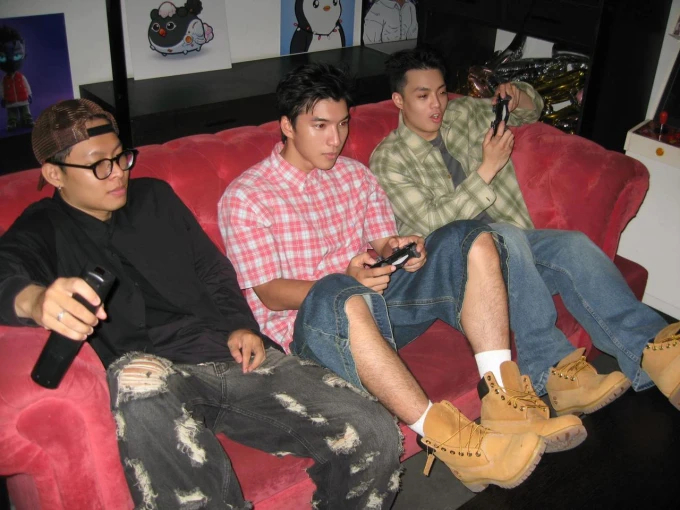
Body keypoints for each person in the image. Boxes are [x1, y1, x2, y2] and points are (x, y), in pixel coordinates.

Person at [0, 99, 405, 510]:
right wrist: (35, 300)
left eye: (121, 157)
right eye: (99, 165)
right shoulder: (42, 227)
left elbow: (213, 271)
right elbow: (5, 271)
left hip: (230, 356)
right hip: (153, 378)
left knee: (375, 432)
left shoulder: (154, 197)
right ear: (55, 173)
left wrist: (241, 326)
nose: (119, 172)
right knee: (136, 378)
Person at [218, 63, 592, 493]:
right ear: (287, 126)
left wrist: (402, 249)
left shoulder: (355, 175)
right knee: (338, 289)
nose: (335, 139)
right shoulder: (248, 197)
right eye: (319, 126)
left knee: (470, 236)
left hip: (379, 309)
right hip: (313, 337)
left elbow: (382, 243)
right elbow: (269, 293)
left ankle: (505, 400)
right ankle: (451, 441)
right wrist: (348, 282)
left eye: (342, 124)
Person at [369, 47, 680, 416]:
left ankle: (651, 351)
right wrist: (487, 169)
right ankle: (553, 368)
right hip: (461, 271)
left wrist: (517, 95)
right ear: (398, 100)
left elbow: (530, 111)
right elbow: (433, 224)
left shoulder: (463, 113)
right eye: (423, 96)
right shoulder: (388, 159)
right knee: (505, 236)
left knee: (572, 246)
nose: (437, 105)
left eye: (440, 92)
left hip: (517, 247)